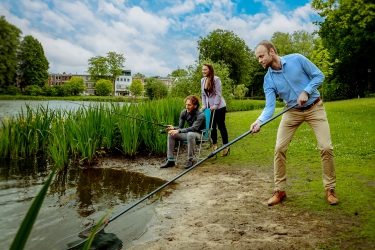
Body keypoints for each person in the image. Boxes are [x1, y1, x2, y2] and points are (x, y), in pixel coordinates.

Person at [250, 40, 338, 206]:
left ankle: (330, 189)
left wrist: (306, 91)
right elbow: (269, 107)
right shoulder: (268, 80)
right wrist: (259, 121)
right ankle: (280, 190)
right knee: (279, 148)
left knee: (326, 147)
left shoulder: (297, 59)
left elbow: (319, 75)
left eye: (261, 56)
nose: (259, 60)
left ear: (271, 51)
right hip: (291, 111)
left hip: (314, 107)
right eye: (258, 58)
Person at [160, 95, 206, 169]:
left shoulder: (201, 115)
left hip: (200, 134)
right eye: (186, 104)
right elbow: (180, 127)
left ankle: (190, 160)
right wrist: (174, 128)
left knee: (190, 134)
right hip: (189, 134)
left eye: (189, 105)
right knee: (171, 134)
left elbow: (194, 128)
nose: (187, 107)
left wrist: (178, 130)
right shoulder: (184, 113)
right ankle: (170, 160)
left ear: (195, 106)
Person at [201, 63, 230, 156]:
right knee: (211, 126)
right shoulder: (202, 80)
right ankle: (214, 145)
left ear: (210, 70)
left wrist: (215, 105)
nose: (203, 71)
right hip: (209, 108)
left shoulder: (216, 79)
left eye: (205, 69)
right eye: (202, 69)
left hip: (219, 107)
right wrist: (204, 105)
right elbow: (203, 95)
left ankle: (226, 146)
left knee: (221, 126)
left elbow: (218, 94)